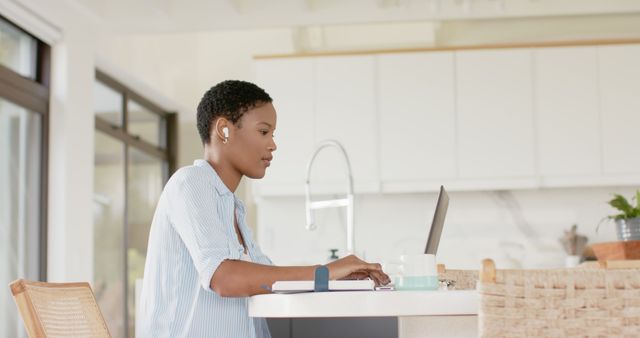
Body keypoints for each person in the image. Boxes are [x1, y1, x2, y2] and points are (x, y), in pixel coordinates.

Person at [138, 80, 390, 337]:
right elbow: (224, 278)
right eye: (263, 132)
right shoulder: (190, 183)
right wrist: (327, 271)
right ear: (224, 130)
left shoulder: (232, 207)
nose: (273, 145)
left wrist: (332, 277)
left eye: (273, 134)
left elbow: (272, 280)